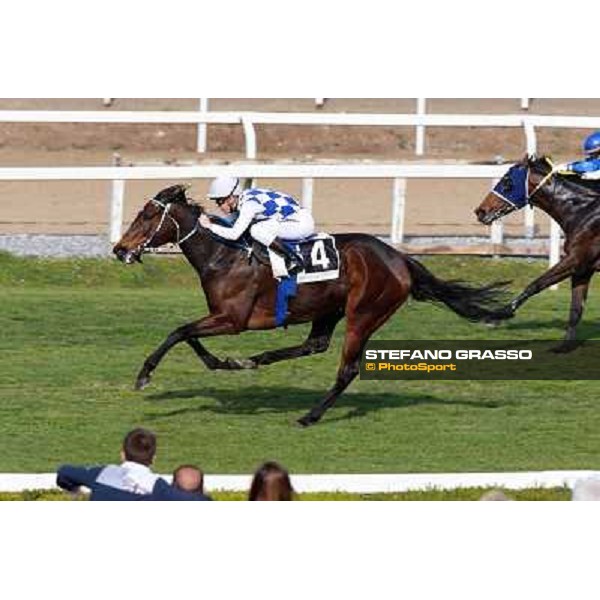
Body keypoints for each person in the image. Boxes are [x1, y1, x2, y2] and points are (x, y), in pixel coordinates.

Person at [199, 176, 315, 274]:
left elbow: (234, 234)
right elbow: (231, 220)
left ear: (231, 198)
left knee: (256, 229)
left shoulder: (249, 205)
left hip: (300, 224)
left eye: (220, 201)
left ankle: (292, 259)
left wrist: (210, 226)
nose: (219, 206)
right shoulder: (246, 196)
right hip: (294, 219)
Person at [56, 428, 211, 501]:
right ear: (154, 458)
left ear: (122, 454)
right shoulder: (157, 486)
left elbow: (64, 472)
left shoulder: (100, 473)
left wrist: (73, 489)